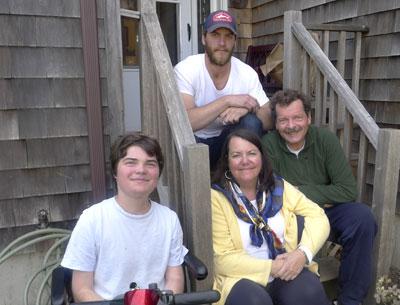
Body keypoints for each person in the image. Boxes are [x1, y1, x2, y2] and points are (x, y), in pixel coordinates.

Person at [262, 89, 377, 305]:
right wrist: (318, 195)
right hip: (293, 217)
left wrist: (299, 190)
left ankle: (350, 300)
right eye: (284, 120)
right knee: (299, 221)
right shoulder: (268, 145)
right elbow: (274, 194)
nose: (292, 125)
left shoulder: (325, 140)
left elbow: (347, 190)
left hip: (329, 211)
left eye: (297, 117)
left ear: (309, 118)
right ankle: (309, 294)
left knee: (362, 218)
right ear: (276, 124)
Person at [61, 133, 188, 302]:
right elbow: (82, 288)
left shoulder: (169, 220)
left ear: (158, 173)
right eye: (131, 162)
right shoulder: (92, 219)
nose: (141, 170)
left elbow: (175, 279)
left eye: (150, 164)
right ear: (115, 171)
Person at [211, 128, 331, 305]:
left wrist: (302, 254)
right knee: (254, 302)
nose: (245, 161)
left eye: (252, 153)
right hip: (241, 278)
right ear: (227, 161)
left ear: (261, 157)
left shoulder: (277, 188)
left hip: (285, 269)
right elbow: (223, 260)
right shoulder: (217, 197)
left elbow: (318, 215)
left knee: (308, 291)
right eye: (236, 155)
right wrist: (272, 267)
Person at [174, 10, 272, 169]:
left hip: (228, 145)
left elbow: (269, 119)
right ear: (203, 38)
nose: (222, 42)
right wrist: (227, 101)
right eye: (215, 34)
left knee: (251, 122)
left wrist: (246, 110)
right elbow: (186, 122)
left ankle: (236, 182)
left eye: (228, 36)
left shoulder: (246, 73)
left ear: (235, 41)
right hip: (192, 144)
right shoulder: (186, 69)